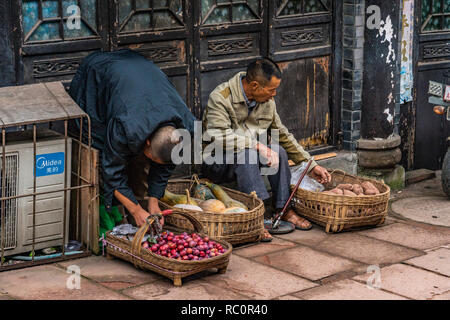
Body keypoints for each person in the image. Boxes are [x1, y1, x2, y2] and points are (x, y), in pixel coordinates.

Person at [202, 58, 331, 240]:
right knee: (247, 154)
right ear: (255, 85)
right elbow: (218, 135)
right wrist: (257, 145)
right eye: (271, 90)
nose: (274, 94)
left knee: (278, 150)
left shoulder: (266, 102)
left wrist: (311, 165)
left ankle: (283, 209)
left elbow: (283, 134)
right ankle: (258, 216)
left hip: (249, 159)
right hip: (216, 163)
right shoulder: (221, 97)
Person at [69, 49, 196, 227]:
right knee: (98, 147)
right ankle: (106, 216)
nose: (149, 161)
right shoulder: (125, 126)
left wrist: (154, 202)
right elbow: (111, 170)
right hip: (97, 75)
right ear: (148, 140)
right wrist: (136, 210)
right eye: (150, 157)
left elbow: (165, 165)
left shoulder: (185, 128)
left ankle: (133, 209)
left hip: (135, 75)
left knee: (140, 161)